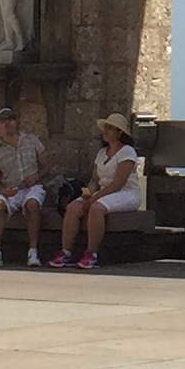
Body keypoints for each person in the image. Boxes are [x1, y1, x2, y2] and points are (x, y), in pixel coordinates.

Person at [53, 114, 140, 270]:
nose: (105, 131)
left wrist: (95, 198)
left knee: (97, 208)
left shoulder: (127, 152)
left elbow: (118, 182)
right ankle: (66, 252)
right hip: (102, 192)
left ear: (119, 132)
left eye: (109, 128)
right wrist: (86, 195)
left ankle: (91, 254)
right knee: (73, 207)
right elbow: (94, 180)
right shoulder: (101, 153)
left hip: (126, 193)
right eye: (104, 128)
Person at [0, 104, 51, 267]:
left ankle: (33, 250)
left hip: (32, 187)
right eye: (3, 120)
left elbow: (46, 166)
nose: (8, 123)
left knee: (32, 204)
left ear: (16, 121)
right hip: (9, 190)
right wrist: (4, 191)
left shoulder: (31, 140)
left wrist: (36, 176)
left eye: (11, 119)